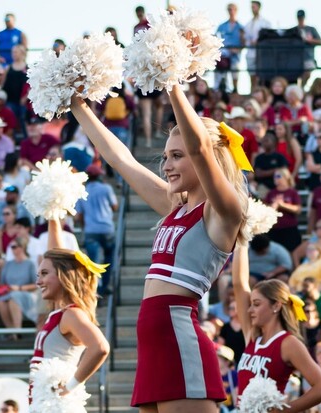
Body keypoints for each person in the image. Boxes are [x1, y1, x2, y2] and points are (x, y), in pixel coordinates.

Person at [71, 76, 251, 410]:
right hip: (153, 341)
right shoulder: (175, 207)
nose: (167, 166)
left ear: (206, 158)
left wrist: (170, 82)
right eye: (166, 156)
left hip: (178, 336)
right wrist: (77, 106)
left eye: (177, 156)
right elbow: (120, 159)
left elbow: (199, 147)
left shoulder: (223, 212)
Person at [232, 246, 321, 410]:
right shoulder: (253, 336)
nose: (250, 310)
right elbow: (238, 283)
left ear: (276, 306)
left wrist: (284, 410)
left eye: (256, 304)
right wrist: (242, 239)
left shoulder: (288, 343)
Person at [31, 219, 109, 404]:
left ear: (63, 276)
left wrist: (69, 387)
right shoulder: (60, 312)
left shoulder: (72, 314)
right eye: (38, 275)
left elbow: (100, 347)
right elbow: (54, 255)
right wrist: (53, 216)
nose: (38, 282)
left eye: (44, 274)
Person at [75, 164, 118, 296]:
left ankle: (94, 290)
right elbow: (115, 207)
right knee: (109, 258)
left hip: (91, 230)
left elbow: (79, 215)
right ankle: (105, 286)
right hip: (107, 228)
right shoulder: (106, 188)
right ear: (100, 175)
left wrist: (84, 226)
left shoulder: (82, 192)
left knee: (92, 263)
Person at [0, 237, 37, 335]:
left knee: (14, 299)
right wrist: (7, 288)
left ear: (22, 247)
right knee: (1, 301)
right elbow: (2, 282)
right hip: (10, 293)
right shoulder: (8, 264)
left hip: (26, 293)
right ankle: (11, 331)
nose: (12, 249)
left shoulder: (30, 264)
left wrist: (19, 288)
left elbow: (36, 284)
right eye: (11, 247)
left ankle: (17, 329)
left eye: (14, 247)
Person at [265, 168, 302, 251]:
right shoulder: (271, 193)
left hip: (290, 229)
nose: (275, 178)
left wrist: (283, 205)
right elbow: (266, 210)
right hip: (274, 229)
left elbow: (298, 209)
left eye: (278, 176)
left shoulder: (292, 192)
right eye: (274, 176)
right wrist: (274, 206)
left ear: (286, 177)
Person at [215, 4, 245, 93]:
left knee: (235, 69)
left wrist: (237, 50)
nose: (231, 11)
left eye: (233, 9)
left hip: (235, 55)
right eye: (229, 9)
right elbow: (216, 39)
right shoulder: (221, 26)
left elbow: (243, 42)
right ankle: (220, 88)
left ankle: (235, 89)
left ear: (236, 10)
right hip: (223, 53)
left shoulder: (240, 27)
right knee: (220, 70)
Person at [244, 1, 271, 87]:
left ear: (259, 8)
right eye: (251, 7)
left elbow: (269, 36)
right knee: (252, 75)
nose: (252, 9)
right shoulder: (248, 24)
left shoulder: (265, 23)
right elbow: (245, 38)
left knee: (261, 75)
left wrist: (258, 41)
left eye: (254, 7)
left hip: (262, 52)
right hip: (250, 52)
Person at [291, 10, 321, 87]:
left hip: (308, 56)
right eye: (299, 18)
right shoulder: (293, 30)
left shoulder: (311, 29)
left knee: (307, 74)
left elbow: (320, 42)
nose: (300, 19)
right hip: (295, 57)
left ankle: (302, 88)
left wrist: (309, 40)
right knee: (295, 76)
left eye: (301, 18)